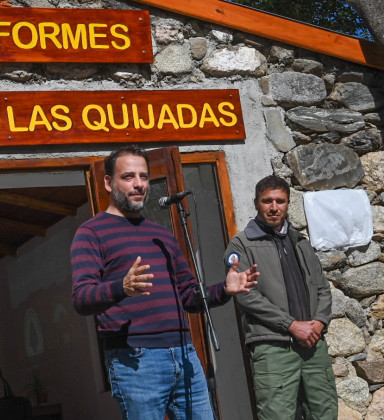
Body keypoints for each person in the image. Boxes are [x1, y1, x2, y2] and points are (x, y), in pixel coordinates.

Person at [71, 145, 259, 420]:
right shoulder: (91, 233)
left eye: (144, 177)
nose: (138, 185)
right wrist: (120, 287)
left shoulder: (163, 235)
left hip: (184, 354)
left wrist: (224, 289)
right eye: (128, 177)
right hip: (135, 360)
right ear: (108, 183)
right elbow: (81, 297)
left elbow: (187, 295)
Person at [224, 175, 337, 420]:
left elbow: (322, 288)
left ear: (288, 203)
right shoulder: (241, 244)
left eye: (280, 201)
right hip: (272, 347)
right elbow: (246, 296)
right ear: (256, 203)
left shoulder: (301, 242)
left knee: (325, 414)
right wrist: (291, 326)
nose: (274, 207)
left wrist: (318, 322)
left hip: (313, 345)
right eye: (267, 201)